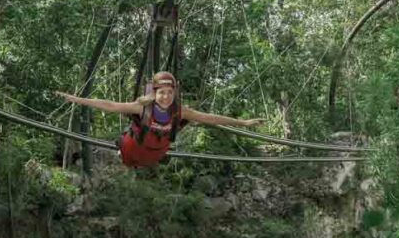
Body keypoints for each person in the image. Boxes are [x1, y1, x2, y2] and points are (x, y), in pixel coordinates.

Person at [55, 71, 263, 168]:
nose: (166, 97)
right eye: (161, 92)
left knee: (155, 157)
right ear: (154, 93)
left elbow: (210, 118)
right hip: (132, 150)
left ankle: (140, 159)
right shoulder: (142, 107)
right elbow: (109, 105)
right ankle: (119, 147)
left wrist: (243, 123)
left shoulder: (181, 112)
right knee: (127, 146)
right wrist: (76, 99)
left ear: (175, 93)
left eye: (169, 93)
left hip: (154, 155)